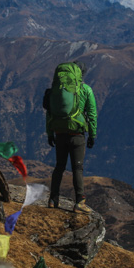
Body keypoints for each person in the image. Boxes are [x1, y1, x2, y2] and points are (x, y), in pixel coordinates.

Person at [45, 60, 97, 214]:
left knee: (59, 167)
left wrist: (50, 133)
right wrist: (92, 135)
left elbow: (49, 113)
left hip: (59, 133)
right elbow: (92, 114)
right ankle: (79, 202)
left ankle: (53, 199)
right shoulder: (86, 90)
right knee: (77, 169)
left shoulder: (57, 91)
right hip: (77, 136)